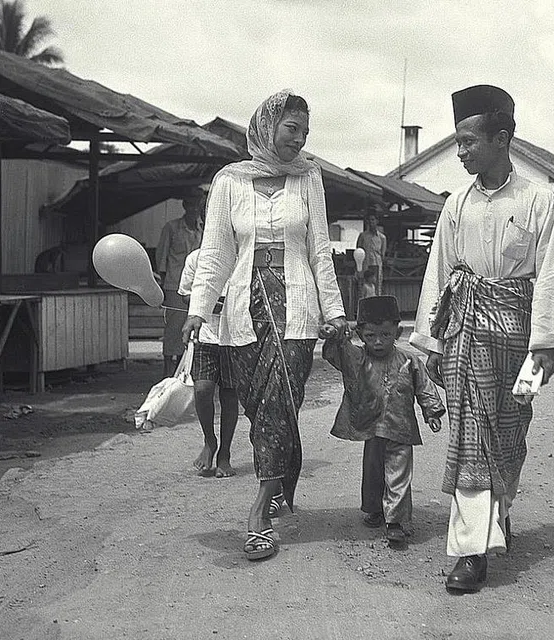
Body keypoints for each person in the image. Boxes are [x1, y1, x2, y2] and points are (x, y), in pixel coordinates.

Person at [410, 84, 554, 593]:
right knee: (470, 439)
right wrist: (431, 343)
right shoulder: (455, 204)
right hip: (462, 332)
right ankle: (470, 552)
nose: (459, 153)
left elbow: (547, 274)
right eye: (455, 143)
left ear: (501, 140)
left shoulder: (539, 200)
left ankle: (499, 514)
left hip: (517, 335)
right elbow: (439, 273)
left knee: (509, 435)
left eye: (466, 143)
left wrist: (545, 344)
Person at [182, 90, 348, 562]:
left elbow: (319, 250)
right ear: (268, 126)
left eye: (305, 132)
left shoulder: (309, 178)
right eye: (291, 128)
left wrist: (333, 312)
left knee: (280, 403)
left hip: (295, 310)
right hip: (242, 311)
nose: (298, 140)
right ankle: (277, 487)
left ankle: (259, 510)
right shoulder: (229, 181)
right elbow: (215, 252)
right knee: (261, 407)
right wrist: (198, 308)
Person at [322, 295, 445, 547]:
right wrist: (335, 335)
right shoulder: (356, 358)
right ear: (359, 334)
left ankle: (396, 522)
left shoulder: (410, 361)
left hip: (401, 428)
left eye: (386, 335)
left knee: (399, 474)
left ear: (397, 333)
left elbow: (424, 387)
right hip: (370, 427)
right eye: (370, 336)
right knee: (373, 471)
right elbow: (334, 354)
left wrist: (431, 411)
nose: (378, 342)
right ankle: (375, 509)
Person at [178, 248, 239, 479]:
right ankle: (209, 441)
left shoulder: (242, 255)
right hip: (204, 335)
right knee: (202, 389)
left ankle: (224, 454)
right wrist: (206, 303)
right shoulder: (196, 258)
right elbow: (184, 293)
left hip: (235, 336)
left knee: (230, 395)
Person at [157, 189, 205, 376]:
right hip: (174, 286)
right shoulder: (171, 228)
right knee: (173, 329)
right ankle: (167, 374)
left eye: (197, 206)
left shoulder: (203, 230)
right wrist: (162, 285)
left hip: (196, 287)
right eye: (191, 205)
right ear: (185, 206)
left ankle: (184, 372)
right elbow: (162, 257)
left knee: (192, 329)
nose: (194, 210)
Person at [356, 209, 387, 294]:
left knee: (377, 287)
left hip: (376, 265)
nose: (371, 222)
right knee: (364, 287)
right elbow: (358, 252)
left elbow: (382, 254)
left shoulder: (382, 238)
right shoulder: (363, 236)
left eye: (373, 220)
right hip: (365, 265)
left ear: (377, 221)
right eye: (369, 220)